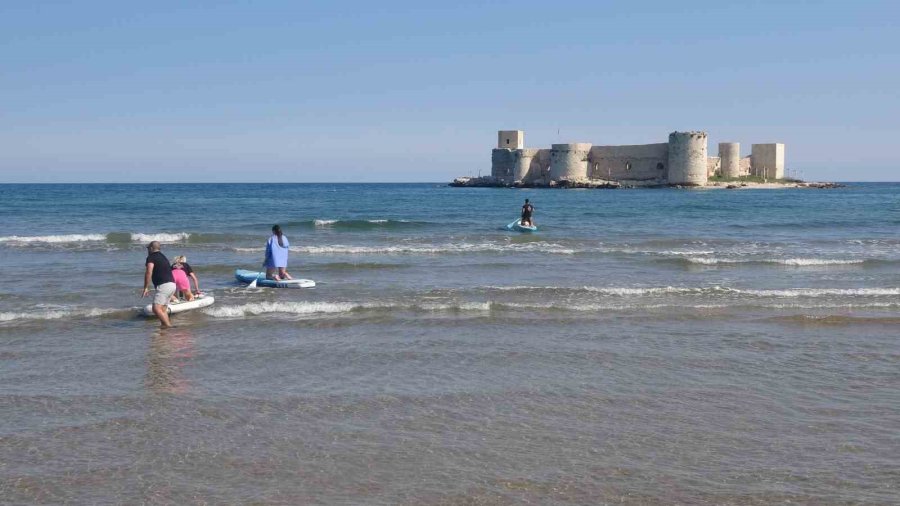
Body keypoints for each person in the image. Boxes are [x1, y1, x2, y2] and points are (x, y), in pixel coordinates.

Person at [142, 241, 175, 328]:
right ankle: (165, 327)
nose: (147, 250)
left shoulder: (151, 257)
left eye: (148, 248)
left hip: (164, 285)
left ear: (152, 248)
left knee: (156, 308)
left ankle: (168, 327)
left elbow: (149, 271)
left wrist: (146, 287)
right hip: (172, 284)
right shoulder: (163, 256)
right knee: (163, 309)